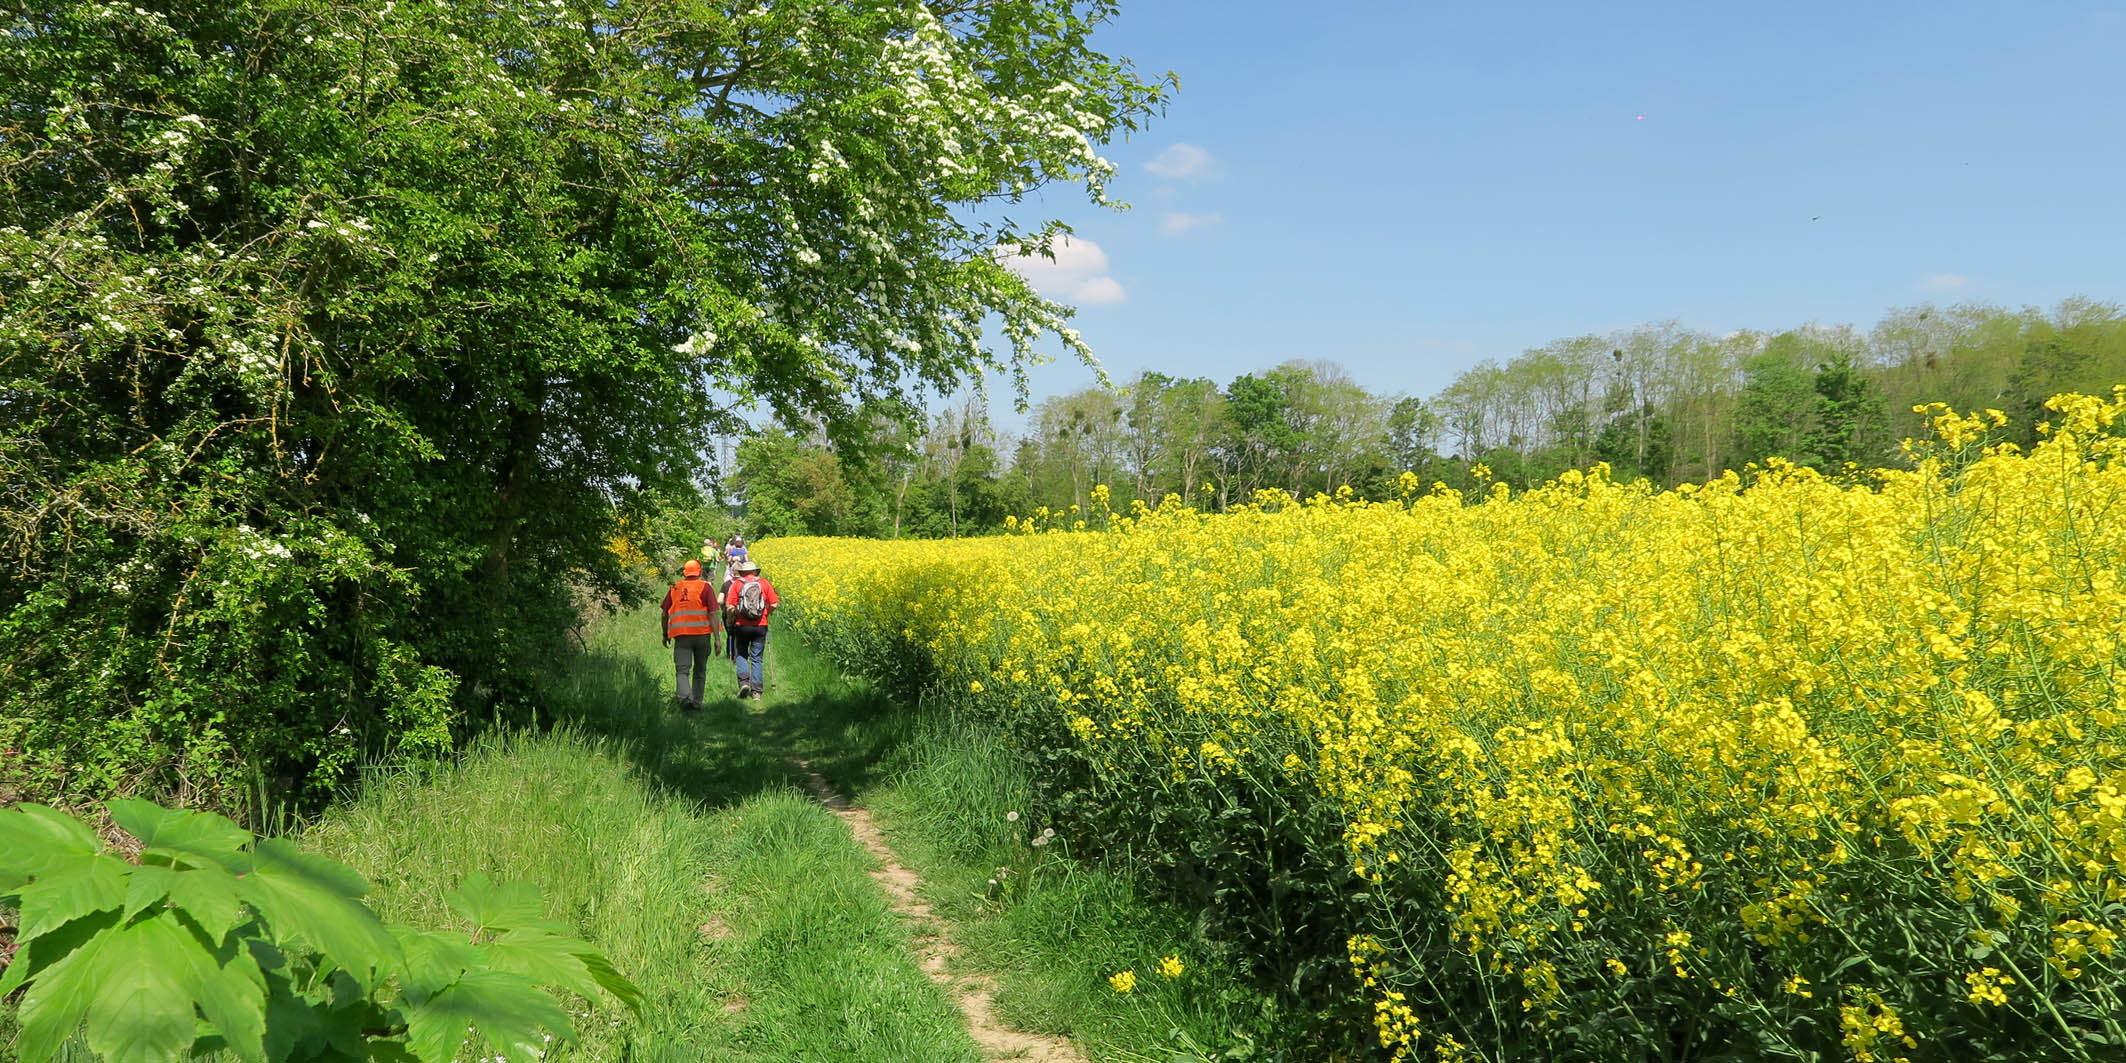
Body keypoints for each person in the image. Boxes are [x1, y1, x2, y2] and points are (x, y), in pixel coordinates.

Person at [660, 558, 722, 711]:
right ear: (699, 572)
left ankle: (685, 699)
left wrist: (665, 634)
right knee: (700, 670)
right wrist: (717, 639)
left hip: (681, 636)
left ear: (684, 573)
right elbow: (713, 613)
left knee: (682, 670)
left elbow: (664, 613)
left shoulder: (675, 587)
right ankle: (696, 704)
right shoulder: (705, 587)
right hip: (702, 636)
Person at [723, 558, 779, 699]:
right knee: (757, 658)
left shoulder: (737, 584)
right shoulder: (764, 583)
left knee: (741, 654)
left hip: (741, 626)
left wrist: (730, 621)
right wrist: (765, 614)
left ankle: (743, 683)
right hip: (760, 626)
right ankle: (756, 692)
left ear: (742, 572)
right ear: (755, 571)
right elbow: (774, 604)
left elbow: (729, 607)